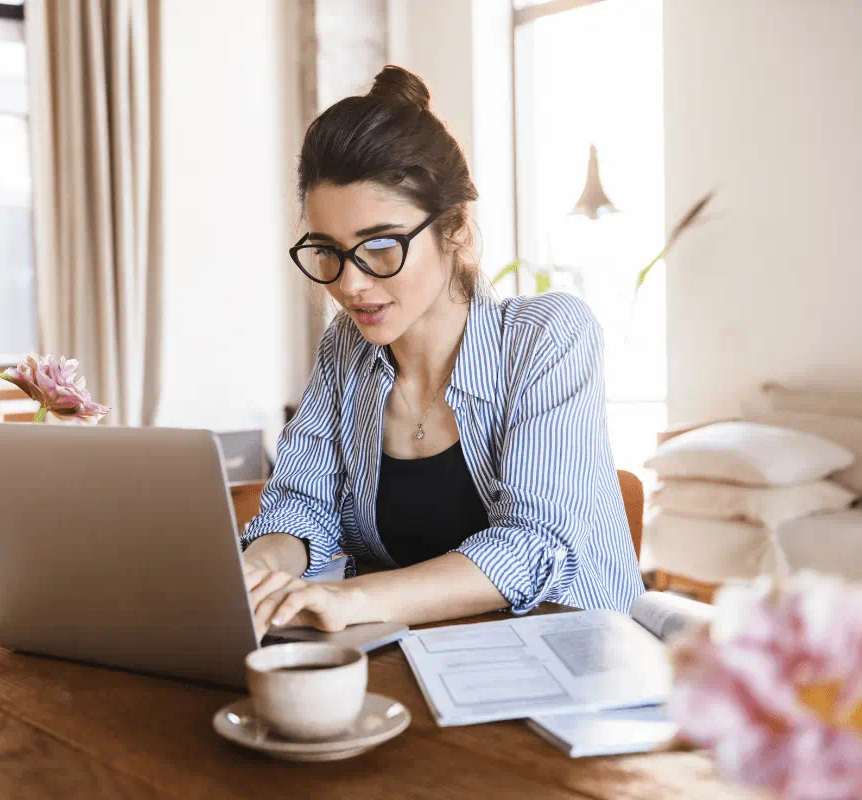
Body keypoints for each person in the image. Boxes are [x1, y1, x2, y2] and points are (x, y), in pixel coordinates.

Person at [241, 65, 643, 638]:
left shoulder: (548, 337)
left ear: (453, 229)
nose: (350, 284)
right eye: (327, 250)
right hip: (426, 670)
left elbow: (534, 546)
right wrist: (258, 569)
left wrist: (346, 597)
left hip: (573, 663)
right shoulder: (346, 351)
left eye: (380, 246)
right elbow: (300, 507)